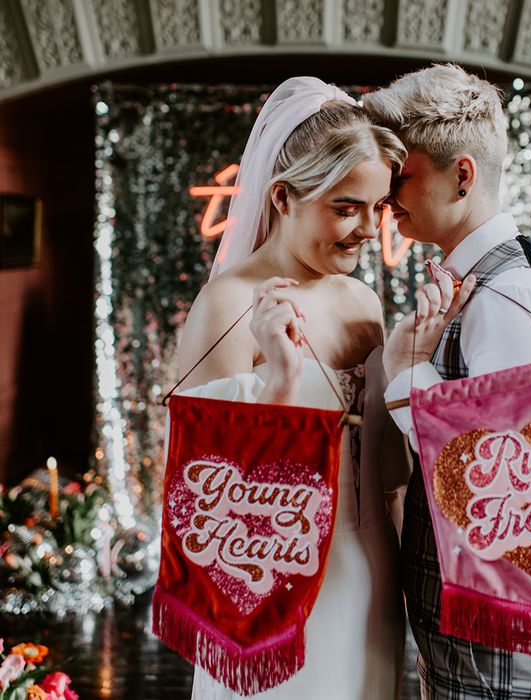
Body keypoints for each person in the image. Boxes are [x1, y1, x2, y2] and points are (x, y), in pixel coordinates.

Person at [365, 64, 531, 699]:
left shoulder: (509, 297)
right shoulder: (489, 286)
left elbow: (511, 489)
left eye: (405, 175)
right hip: (490, 648)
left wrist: (406, 375)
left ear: (463, 175)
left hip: (512, 658)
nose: (389, 196)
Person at [175, 77, 409, 699]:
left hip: (371, 578)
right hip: (270, 587)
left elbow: (389, 476)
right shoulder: (226, 303)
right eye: (345, 207)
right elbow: (199, 502)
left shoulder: (363, 302)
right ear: (283, 197)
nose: (366, 229)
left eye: (377, 207)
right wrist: (277, 385)